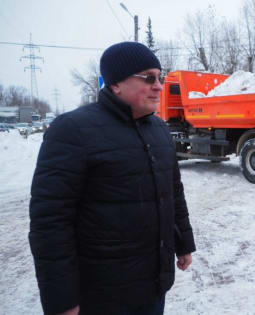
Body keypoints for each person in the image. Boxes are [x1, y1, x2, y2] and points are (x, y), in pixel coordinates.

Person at [29, 42, 196, 315]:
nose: (158, 85)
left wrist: (183, 245)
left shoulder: (160, 131)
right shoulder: (73, 131)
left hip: (153, 287)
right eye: (148, 78)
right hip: (102, 295)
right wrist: (62, 300)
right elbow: (51, 223)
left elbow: (173, 193)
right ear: (116, 83)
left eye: (160, 77)